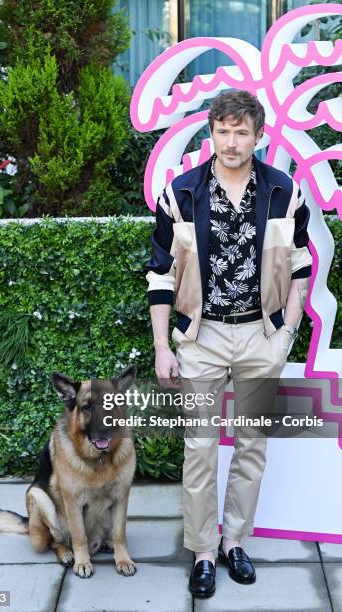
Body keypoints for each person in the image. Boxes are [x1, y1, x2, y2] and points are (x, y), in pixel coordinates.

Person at [146, 90, 312, 598]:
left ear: (258, 135)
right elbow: (160, 274)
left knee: (251, 446)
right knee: (199, 449)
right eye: (223, 130)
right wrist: (162, 346)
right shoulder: (182, 193)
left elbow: (302, 265)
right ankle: (202, 550)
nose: (232, 141)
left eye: (242, 131)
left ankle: (234, 542)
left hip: (262, 335)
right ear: (211, 134)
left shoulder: (284, 192)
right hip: (203, 336)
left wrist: (287, 332)